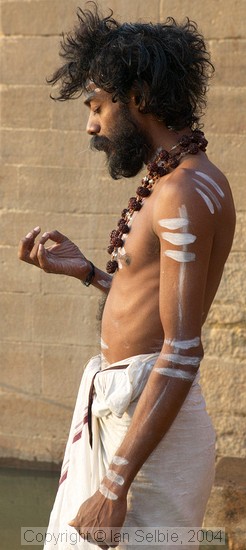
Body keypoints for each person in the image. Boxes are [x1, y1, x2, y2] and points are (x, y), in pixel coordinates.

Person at [18, 5, 236, 550]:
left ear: (136, 98)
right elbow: (157, 316)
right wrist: (91, 273)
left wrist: (115, 485)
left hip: (144, 432)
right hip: (131, 411)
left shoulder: (183, 193)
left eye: (96, 105)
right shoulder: (181, 183)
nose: (91, 124)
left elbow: (182, 349)